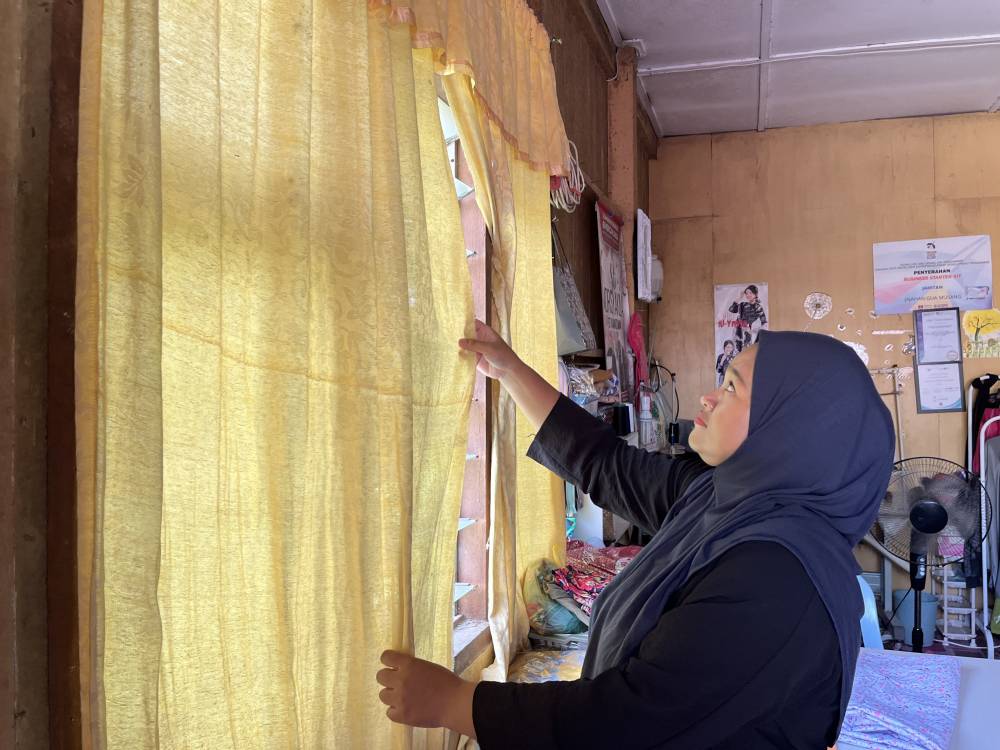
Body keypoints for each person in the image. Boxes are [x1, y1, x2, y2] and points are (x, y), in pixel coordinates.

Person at [376, 322, 894, 749]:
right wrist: (508, 368)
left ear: (789, 430)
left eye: (733, 387)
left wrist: (455, 703)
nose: (707, 399)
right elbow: (608, 465)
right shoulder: (724, 498)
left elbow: (627, 720)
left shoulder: (778, 580)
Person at [729, 285, 767, 352]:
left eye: (750, 293)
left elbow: (764, 324)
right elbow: (731, 309)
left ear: (755, 294)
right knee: (736, 351)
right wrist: (740, 297)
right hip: (738, 331)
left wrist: (752, 331)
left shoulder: (758, 308)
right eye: (746, 293)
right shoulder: (743, 305)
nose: (748, 295)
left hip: (747, 334)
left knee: (746, 353)